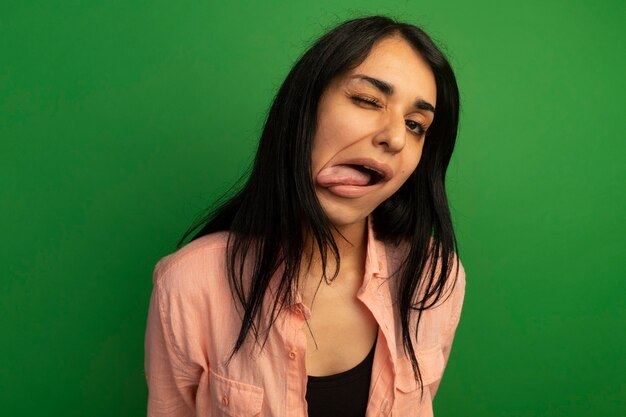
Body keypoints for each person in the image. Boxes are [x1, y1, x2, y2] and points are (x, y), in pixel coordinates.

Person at [144, 15, 466, 417]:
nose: (396, 137)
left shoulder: (435, 276)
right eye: (368, 100)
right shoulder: (189, 284)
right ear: (303, 108)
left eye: (416, 125)